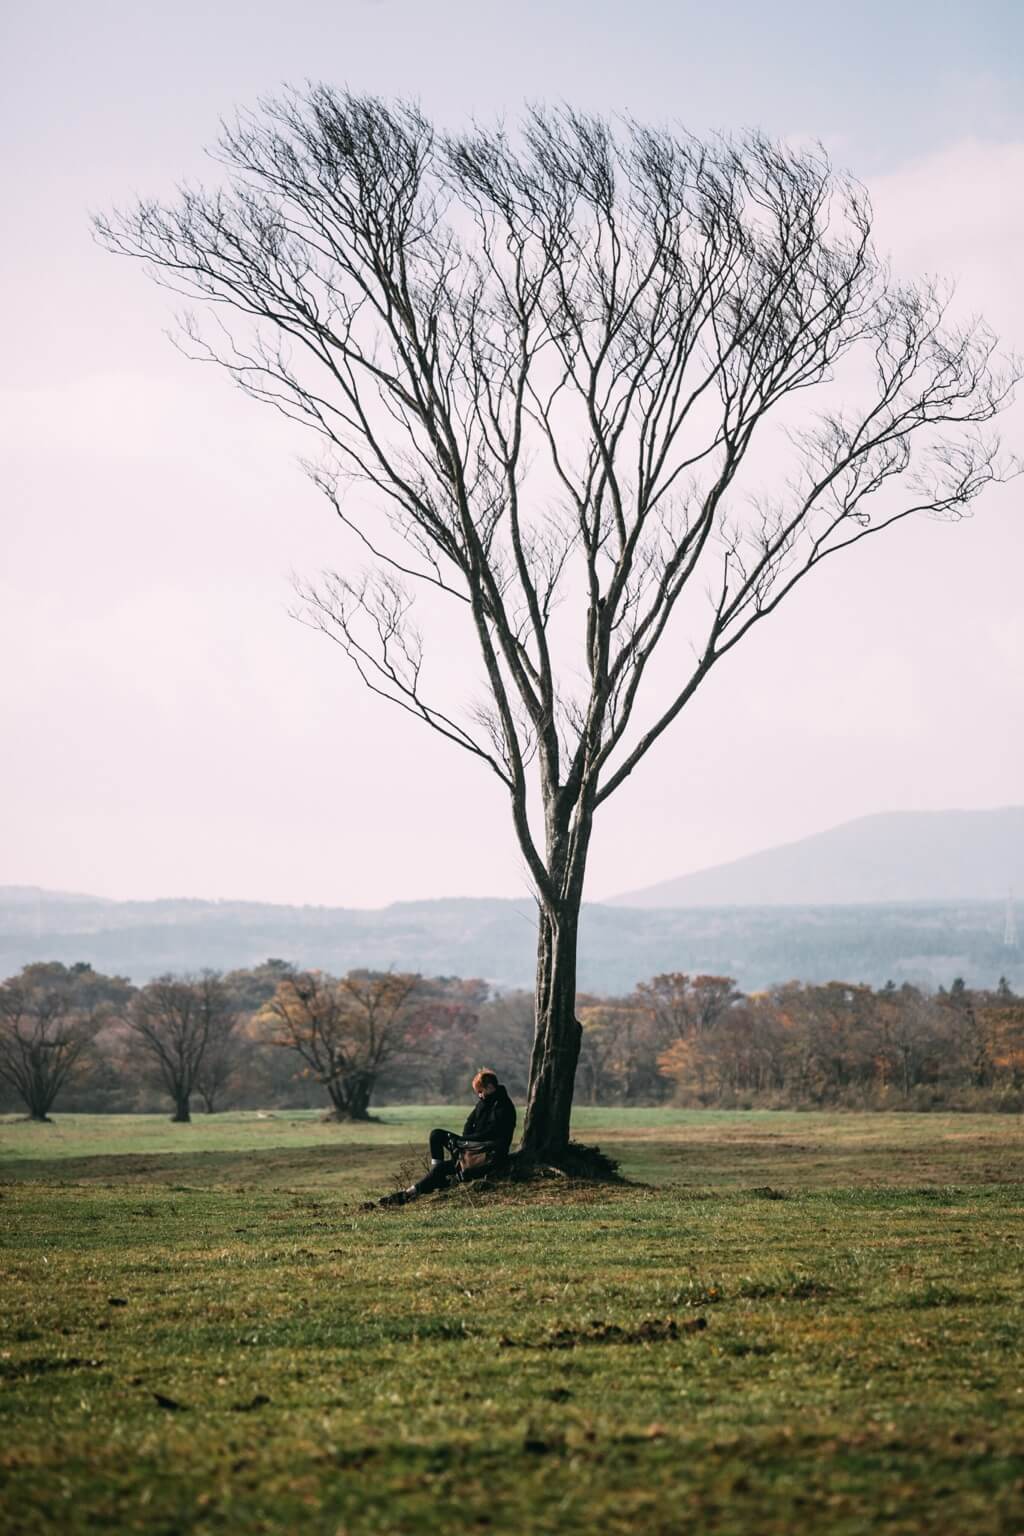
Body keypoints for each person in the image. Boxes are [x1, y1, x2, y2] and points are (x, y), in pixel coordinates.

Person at [379, 1069, 516, 1206]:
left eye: (481, 1091)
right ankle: (435, 1177)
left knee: (441, 1169)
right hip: (472, 1148)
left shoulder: (504, 1106)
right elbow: (469, 1122)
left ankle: (407, 1195)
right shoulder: (484, 1102)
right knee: (436, 1135)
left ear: (490, 1087)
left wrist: (463, 1141)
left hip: (487, 1155)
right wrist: (463, 1141)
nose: (479, 1095)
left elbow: (491, 1133)